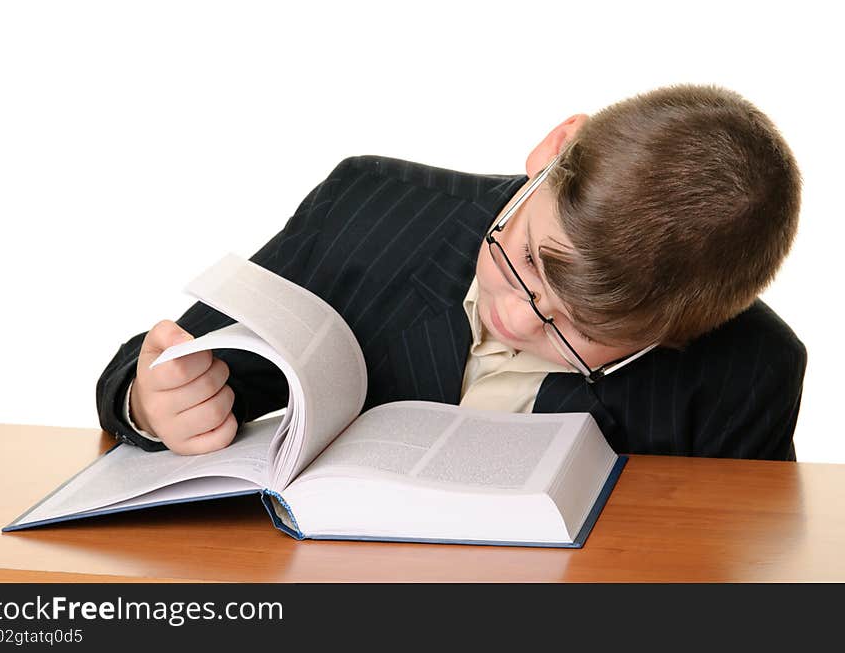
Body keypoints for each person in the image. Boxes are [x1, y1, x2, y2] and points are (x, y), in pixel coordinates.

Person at [96, 83, 806, 460]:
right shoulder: (371, 208)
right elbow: (173, 366)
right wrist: (153, 403)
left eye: (584, 325)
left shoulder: (747, 374)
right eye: (526, 256)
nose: (520, 316)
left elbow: (732, 581)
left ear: (686, 332)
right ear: (556, 147)